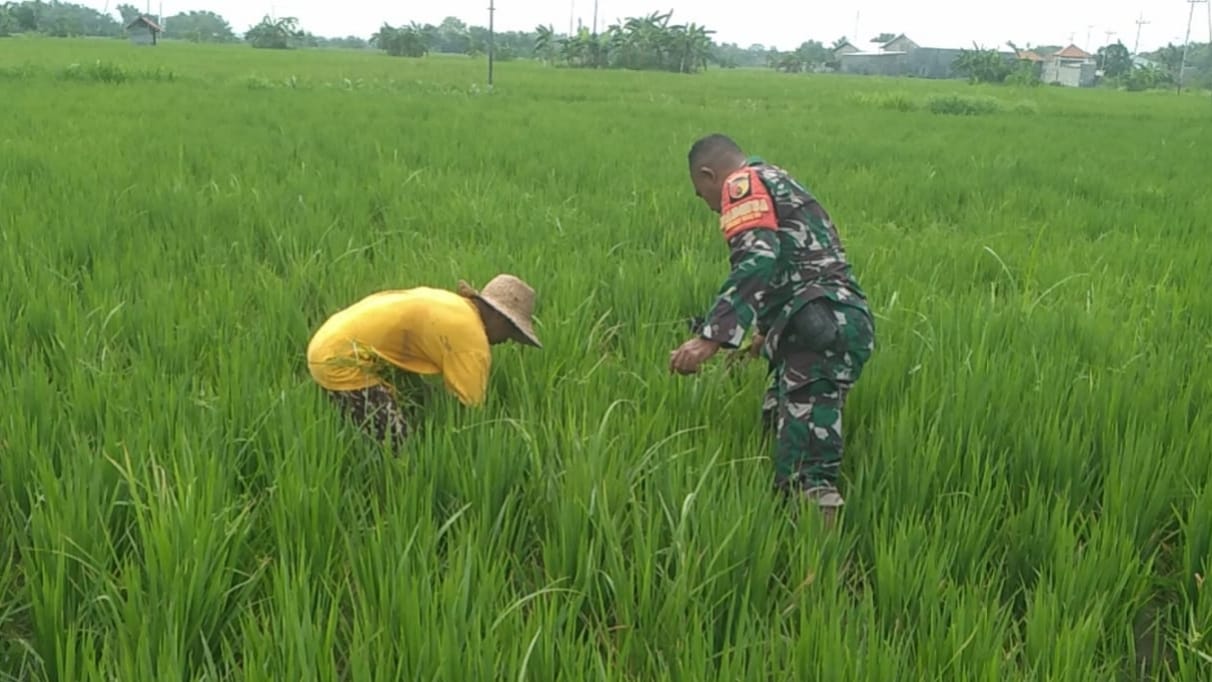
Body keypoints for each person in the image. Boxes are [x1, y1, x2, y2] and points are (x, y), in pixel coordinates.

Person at [669, 133, 876, 524]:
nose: (711, 207)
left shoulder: (740, 184)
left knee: (806, 473)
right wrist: (761, 338)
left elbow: (758, 260)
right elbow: (801, 265)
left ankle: (822, 575)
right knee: (775, 420)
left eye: (702, 194)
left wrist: (710, 339)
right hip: (824, 324)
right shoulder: (780, 181)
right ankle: (778, 531)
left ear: (708, 174)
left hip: (821, 330)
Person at [306, 274, 542, 446]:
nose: (507, 340)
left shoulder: (453, 304)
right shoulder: (472, 342)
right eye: (511, 332)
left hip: (329, 338)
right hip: (338, 361)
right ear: (499, 318)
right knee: (403, 447)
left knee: (419, 395)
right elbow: (469, 418)